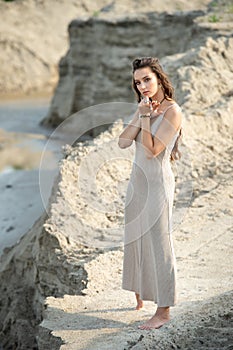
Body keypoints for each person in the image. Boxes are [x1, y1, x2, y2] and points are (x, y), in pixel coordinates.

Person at [118, 57, 182, 330]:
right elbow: (122, 141)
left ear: (159, 78)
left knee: (160, 245)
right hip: (137, 183)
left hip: (157, 185)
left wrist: (145, 119)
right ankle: (141, 295)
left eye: (146, 79)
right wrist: (140, 114)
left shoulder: (172, 111)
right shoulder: (143, 106)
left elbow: (152, 150)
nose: (142, 86)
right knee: (137, 239)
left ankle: (164, 311)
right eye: (137, 82)